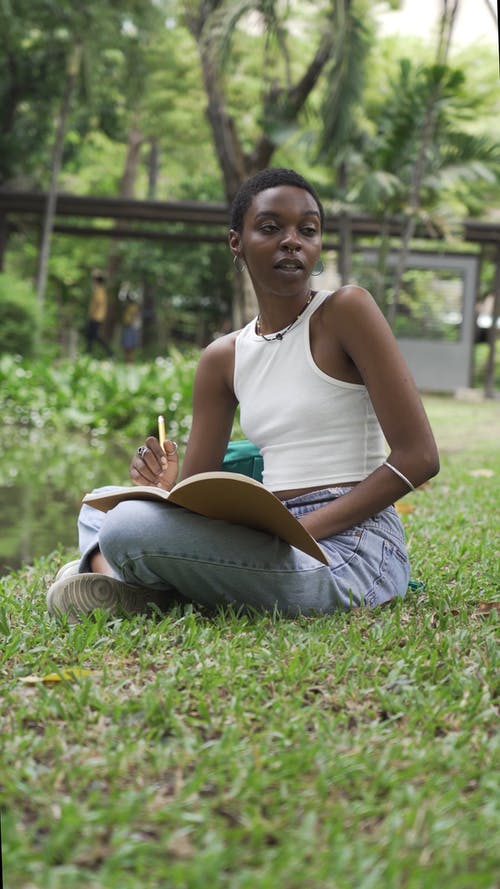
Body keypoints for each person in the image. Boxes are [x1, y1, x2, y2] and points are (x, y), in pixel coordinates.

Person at [47, 168, 439, 621]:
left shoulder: (345, 310)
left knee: (124, 528)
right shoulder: (223, 357)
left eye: (307, 230)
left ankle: (112, 575)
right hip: (266, 530)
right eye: (271, 227)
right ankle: (143, 581)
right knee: (103, 503)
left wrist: (297, 531)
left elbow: (419, 457)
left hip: (350, 548)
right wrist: (163, 488)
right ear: (237, 241)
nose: (292, 241)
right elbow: (194, 498)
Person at [86, 269, 113, 357]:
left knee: (95, 336)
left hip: (96, 317)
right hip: (96, 316)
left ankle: (110, 353)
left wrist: (92, 314)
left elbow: (98, 304)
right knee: (90, 336)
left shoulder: (100, 291)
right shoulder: (98, 290)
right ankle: (88, 353)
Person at [119, 284, 142, 363]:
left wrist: (131, 323)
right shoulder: (128, 307)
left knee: (130, 346)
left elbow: (135, 316)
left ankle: (130, 362)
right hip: (128, 326)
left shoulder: (133, 307)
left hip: (131, 327)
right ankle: (127, 361)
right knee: (126, 346)